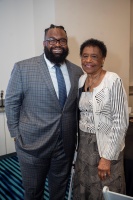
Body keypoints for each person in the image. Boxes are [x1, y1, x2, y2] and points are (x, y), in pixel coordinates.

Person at [5, 24, 83, 200]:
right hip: (32, 144)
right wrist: (16, 134)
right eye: (52, 40)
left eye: (62, 40)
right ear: (44, 43)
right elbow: (11, 102)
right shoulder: (23, 68)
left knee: (59, 189)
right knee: (33, 191)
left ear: (66, 43)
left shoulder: (77, 72)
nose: (57, 44)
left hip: (65, 144)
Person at [73, 38, 129, 200]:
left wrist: (107, 157)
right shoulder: (81, 80)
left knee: (105, 186)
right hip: (84, 146)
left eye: (94, 56)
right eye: (85, 56)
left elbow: (120, 122)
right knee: (84, 185)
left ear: (103, 59)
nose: (88, 60)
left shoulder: (112, 80)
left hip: (106, 145)